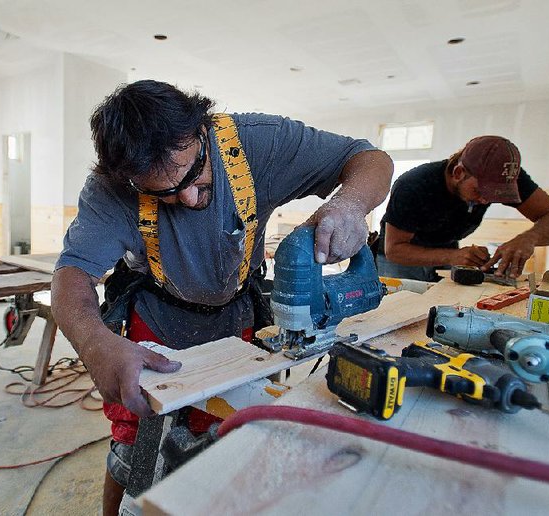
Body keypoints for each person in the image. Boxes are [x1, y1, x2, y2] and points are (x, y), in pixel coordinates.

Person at [50, 80, 393, 514]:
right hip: (155, 316)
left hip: (237, 312)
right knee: (135, 447)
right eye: (164, 193)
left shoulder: (260, 143)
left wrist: (349, 205)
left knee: (229, 428)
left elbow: (370, 159)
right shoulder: (109, 186)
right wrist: (95, 343)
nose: (189, 198)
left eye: (193, 175)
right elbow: (71, 274)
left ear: (201, 130)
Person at [375, 135, 549, 282]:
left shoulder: (506, 177)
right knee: (400, 311)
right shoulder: (414, 184)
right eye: (480, 191)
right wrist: (453, 256)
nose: (486, 200)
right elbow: (394, 250)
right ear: (459, 173)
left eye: (497, 194)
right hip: (399, 257)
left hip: (446, 247)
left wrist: (529, 238)